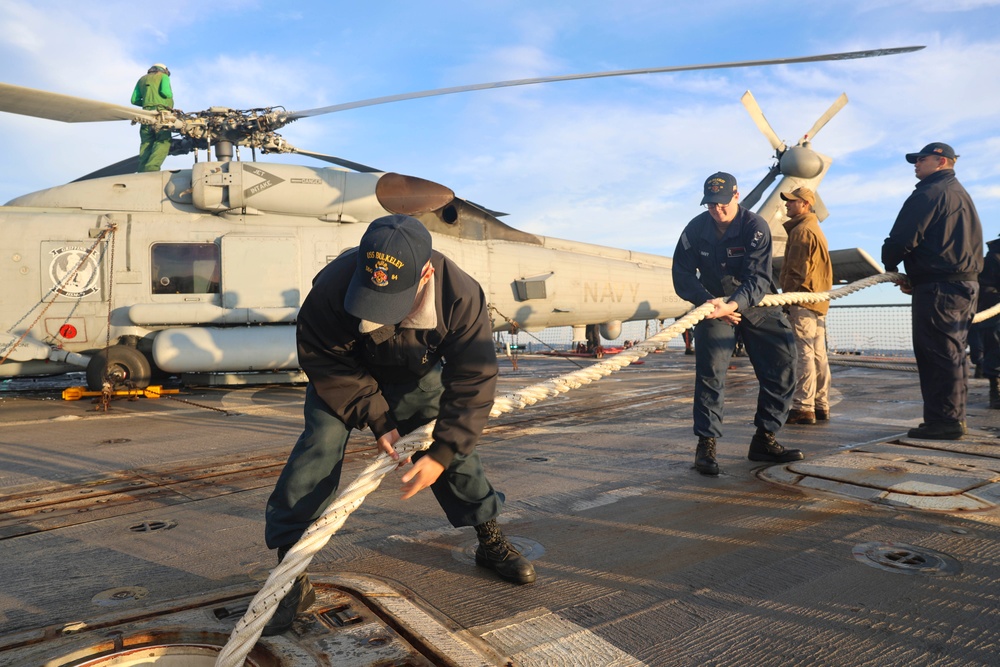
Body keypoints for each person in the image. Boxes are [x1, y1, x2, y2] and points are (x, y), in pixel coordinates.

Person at [263, 214, 535, 635]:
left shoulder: (459, 296)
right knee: (317, 448)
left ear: (425, 272)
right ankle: (289, 573)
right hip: (346, 376)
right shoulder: (333, 287)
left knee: (454, 453)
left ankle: (489, 539)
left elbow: (474, 378)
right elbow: (323, 358)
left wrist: (442, 453)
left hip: (416, 375)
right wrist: (376, 417)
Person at [672, 172, 802, 476]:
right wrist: (709, 303)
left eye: (722, 203)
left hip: (755, 303)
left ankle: (765, 439)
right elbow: (682, 274)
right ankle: (706, 445)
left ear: (736, 195)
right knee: (711, 372)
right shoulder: (695, 229)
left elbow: (759, 276)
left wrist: (733, 304)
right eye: (711, 205)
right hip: (712, 304)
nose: (717, 210)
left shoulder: (755, 226)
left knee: (783, 364)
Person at [882, 142, 983, 440]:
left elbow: (902, 237)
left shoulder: (930, 192)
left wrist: (892, 267)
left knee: (937, 353)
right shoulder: (960, 194)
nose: (915, 164)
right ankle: (951, 418)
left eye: (920, 159)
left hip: (941, 288)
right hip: (962, 284)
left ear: (940, 162)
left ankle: (945, 422)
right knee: (952, 352)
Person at [778, 187, 833, 425]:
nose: (787, 205)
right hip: (818, 300)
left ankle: (803, 407)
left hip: (802, 299)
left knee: (804, 354)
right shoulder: (815, 229)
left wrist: (787, 299)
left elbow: (797, 271)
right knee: (819, 354)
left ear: (805, 204)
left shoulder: (801, 231)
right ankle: (821, 404)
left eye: (791, 202)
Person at [130, 63, 174, 172]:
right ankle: (152, 168)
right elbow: (166, 93)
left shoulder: (142, 79)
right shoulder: (163, 77)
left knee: (146, 143)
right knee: (163, 140)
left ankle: (142, 171)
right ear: (165, 70)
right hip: (162, 115)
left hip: (146, 115)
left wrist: (147, 103)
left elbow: (134, 100)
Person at [978, 236, 1000, 408]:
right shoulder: (994, 259)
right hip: (994, 311)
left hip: (990, 309)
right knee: (995, 348)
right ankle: (996, 393)